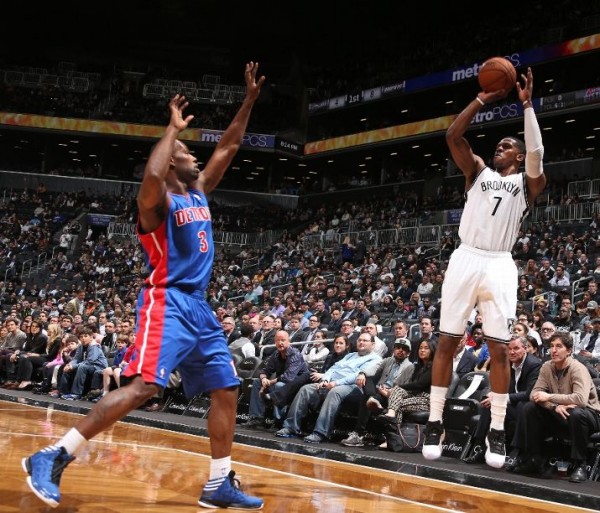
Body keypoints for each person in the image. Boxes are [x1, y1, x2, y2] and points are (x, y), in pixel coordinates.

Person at [23, 62, 266, 510]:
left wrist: (249, 102)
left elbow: (229, 146)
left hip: (199, 307)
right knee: (144, 387)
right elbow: (150, 179)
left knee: (227, 388)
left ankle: (217, 483)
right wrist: (171, 131)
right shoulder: (158, 202)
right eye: (188, 151)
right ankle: (53, 455)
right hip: (167, 300)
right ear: (173, 158)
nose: (197, 155)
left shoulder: (200, 191)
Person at [422, 68, 547, 470]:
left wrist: (526, 105)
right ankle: (434, 421)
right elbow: (452, 137)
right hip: (466, 256)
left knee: (497, 348)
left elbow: (537, 155)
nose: (501, 147)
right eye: (499, 143)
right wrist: (481, 99)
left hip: (499, 263)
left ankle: (496, 428)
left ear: (517, 155)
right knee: (446, 340)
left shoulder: (526, 185)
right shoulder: (477, 171)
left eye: (508, 145)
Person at [510, 332, 600, 482]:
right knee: (529, 407)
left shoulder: (578, 369)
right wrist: (553, 406)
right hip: (560, 412)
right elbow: (534, 394)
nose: (554, 350)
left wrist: (550, 397)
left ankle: (580, 465)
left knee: (577, 413)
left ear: (569, 350)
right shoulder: (547, 366)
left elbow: (580, 400)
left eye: (559, 346)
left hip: (589, 414)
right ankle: (534, 459)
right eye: (551, 346)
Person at [275, 332, 382, 443]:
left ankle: (320, 432)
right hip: (332, 382)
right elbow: (333, 368)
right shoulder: (351, 355)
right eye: (359, 340)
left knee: (334, 392)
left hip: (354, 387)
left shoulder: (375, 359)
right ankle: (290, 427)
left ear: (373, 344)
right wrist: (325, 380)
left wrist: (336, 383)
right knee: (306, 389)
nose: (361, 342)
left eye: (365, 340)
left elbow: (357, 376)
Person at [464, 335, 542, 464]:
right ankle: (481, 447)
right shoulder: (505, 363)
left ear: (525, 349)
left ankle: (516, 452)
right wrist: (492, 395)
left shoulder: (534, 365)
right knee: (487, 405)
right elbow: (497, 385)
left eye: (516, 348)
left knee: (524, 405)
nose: (512, 352)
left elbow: (530, 394)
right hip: (511, 405)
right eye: (509, 348)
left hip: (528, 408)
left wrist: (501, 399)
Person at [340, 337, 414, 447]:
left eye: (404, 349)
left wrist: (389, 392)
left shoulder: (410, 366)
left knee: (367, 397)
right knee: (367, 379)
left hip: (391, 395)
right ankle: (372, 399)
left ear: (408, 353)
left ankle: (359, 433)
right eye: (398, 347)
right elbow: (374, 368)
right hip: (377, 392)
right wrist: (362, 373)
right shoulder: (388, 360)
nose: (400, 350)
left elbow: (405, 387)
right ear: (394, 349)